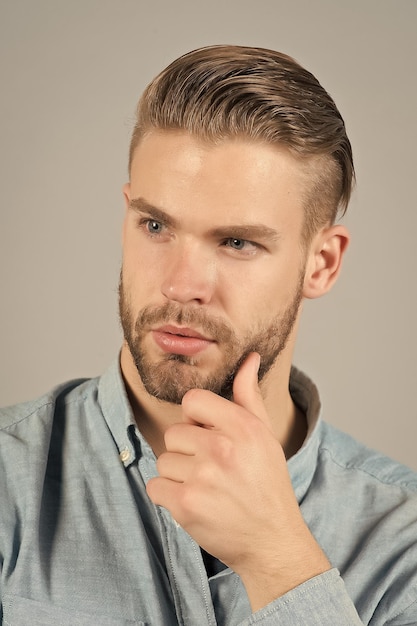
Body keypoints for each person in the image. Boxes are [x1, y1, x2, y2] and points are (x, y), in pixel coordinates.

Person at [0, 45, 416, 626]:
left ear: (321, 263)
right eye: (155, 225)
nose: (179, 285)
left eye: (237, 242)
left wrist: (280, 562)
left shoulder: (404, 543)